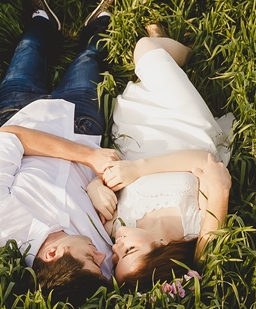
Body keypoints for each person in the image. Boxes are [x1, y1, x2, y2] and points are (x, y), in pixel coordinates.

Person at [0, 0, 133, 304]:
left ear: (52, 254)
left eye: (92, 259)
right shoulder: (99, 262)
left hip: (20, 112)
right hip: (80, 125)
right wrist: (96, 183)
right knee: (90, 58)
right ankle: (100, 20)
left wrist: (89, 160)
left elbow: (10, 137)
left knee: (30, 47)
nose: (103, 258)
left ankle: (43, 21)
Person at [85, 24, 235, 287]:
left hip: (139, 134)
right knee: (146, 49)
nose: (116, 249)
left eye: (116, 260)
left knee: (145, 63)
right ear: (161, 247)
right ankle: (188, 53)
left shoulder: (116, 226)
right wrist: (138, 170)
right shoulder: (194, 225)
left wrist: (94, 187)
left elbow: (103, 179)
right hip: (187, 131)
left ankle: (170, 55)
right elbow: (204, 162)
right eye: (129, 251)